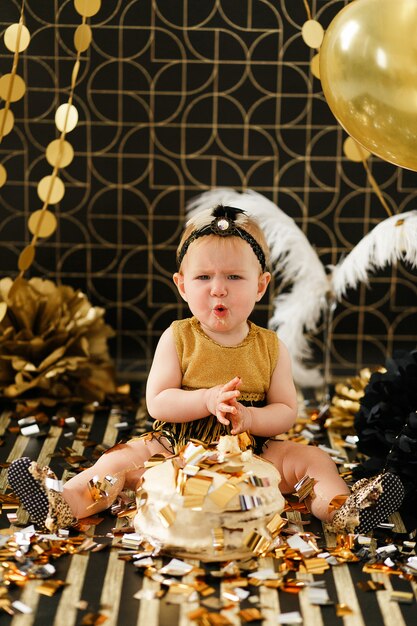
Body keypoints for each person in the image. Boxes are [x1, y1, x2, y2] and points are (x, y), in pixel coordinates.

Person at [8, 205, 404, 535]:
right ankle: (66, 502)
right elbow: (158, 402)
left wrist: (249, 416)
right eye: (203, 277)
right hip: (175, 450)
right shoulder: (178, 337)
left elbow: (286, 411)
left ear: (261, 285)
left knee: (314, 460)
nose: (218, 288)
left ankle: (340, 509)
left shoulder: (270, 346)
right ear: (181, 285)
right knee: (115, 464)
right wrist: (206, 399)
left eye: (234, 277)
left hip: (253, 452)